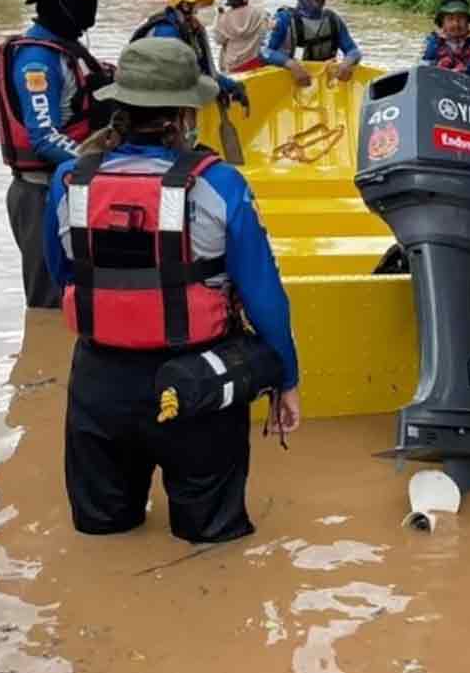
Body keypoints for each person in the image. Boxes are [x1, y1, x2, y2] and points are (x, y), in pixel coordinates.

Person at [43, 36, 301, 543]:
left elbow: (63, 276)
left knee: (103, 535)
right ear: (187, 113)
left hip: (99, 384)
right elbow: (264, 296)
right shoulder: (222, 184)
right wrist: (285, 378)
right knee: (212, 540)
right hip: (200, 384)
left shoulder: (67, 180)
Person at [0, 0, 112, 308]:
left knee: (82, 298)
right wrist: (105, 165)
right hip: (42, 195)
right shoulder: (37, 61)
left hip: (72, 188)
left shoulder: (68, 50)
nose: (91, 2)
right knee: (49, 305)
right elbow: (43, 137)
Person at [131, 0, 248, 106]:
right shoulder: (166, 31)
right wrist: (216, 88)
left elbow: (203, 69)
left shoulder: (188, 29)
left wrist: (232, 86)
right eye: (198, 8)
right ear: (185, 6)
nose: (198, 14)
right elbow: (180, 75)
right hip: (152, 97)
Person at [260, 0, 361, 87]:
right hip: (291, 88)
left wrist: (348, 62)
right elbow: (264, 52)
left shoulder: (333, 19)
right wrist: (291, 65)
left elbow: (353, 50)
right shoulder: (284, 19)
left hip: (325, 87)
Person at [420, 0, 470, 76]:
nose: (456, 24)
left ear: (467, 21)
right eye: (450, 19)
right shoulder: (433, 40)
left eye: (461, 18)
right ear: (442, 23)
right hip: (441, 81)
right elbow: (425, 61)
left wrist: (464, 70)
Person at [214, 0, 272, 73]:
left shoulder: (225, 17)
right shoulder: (259, 13)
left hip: (233, 65)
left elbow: (218, 40)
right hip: (254, 62)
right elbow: (267, 30)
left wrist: (219, 15)